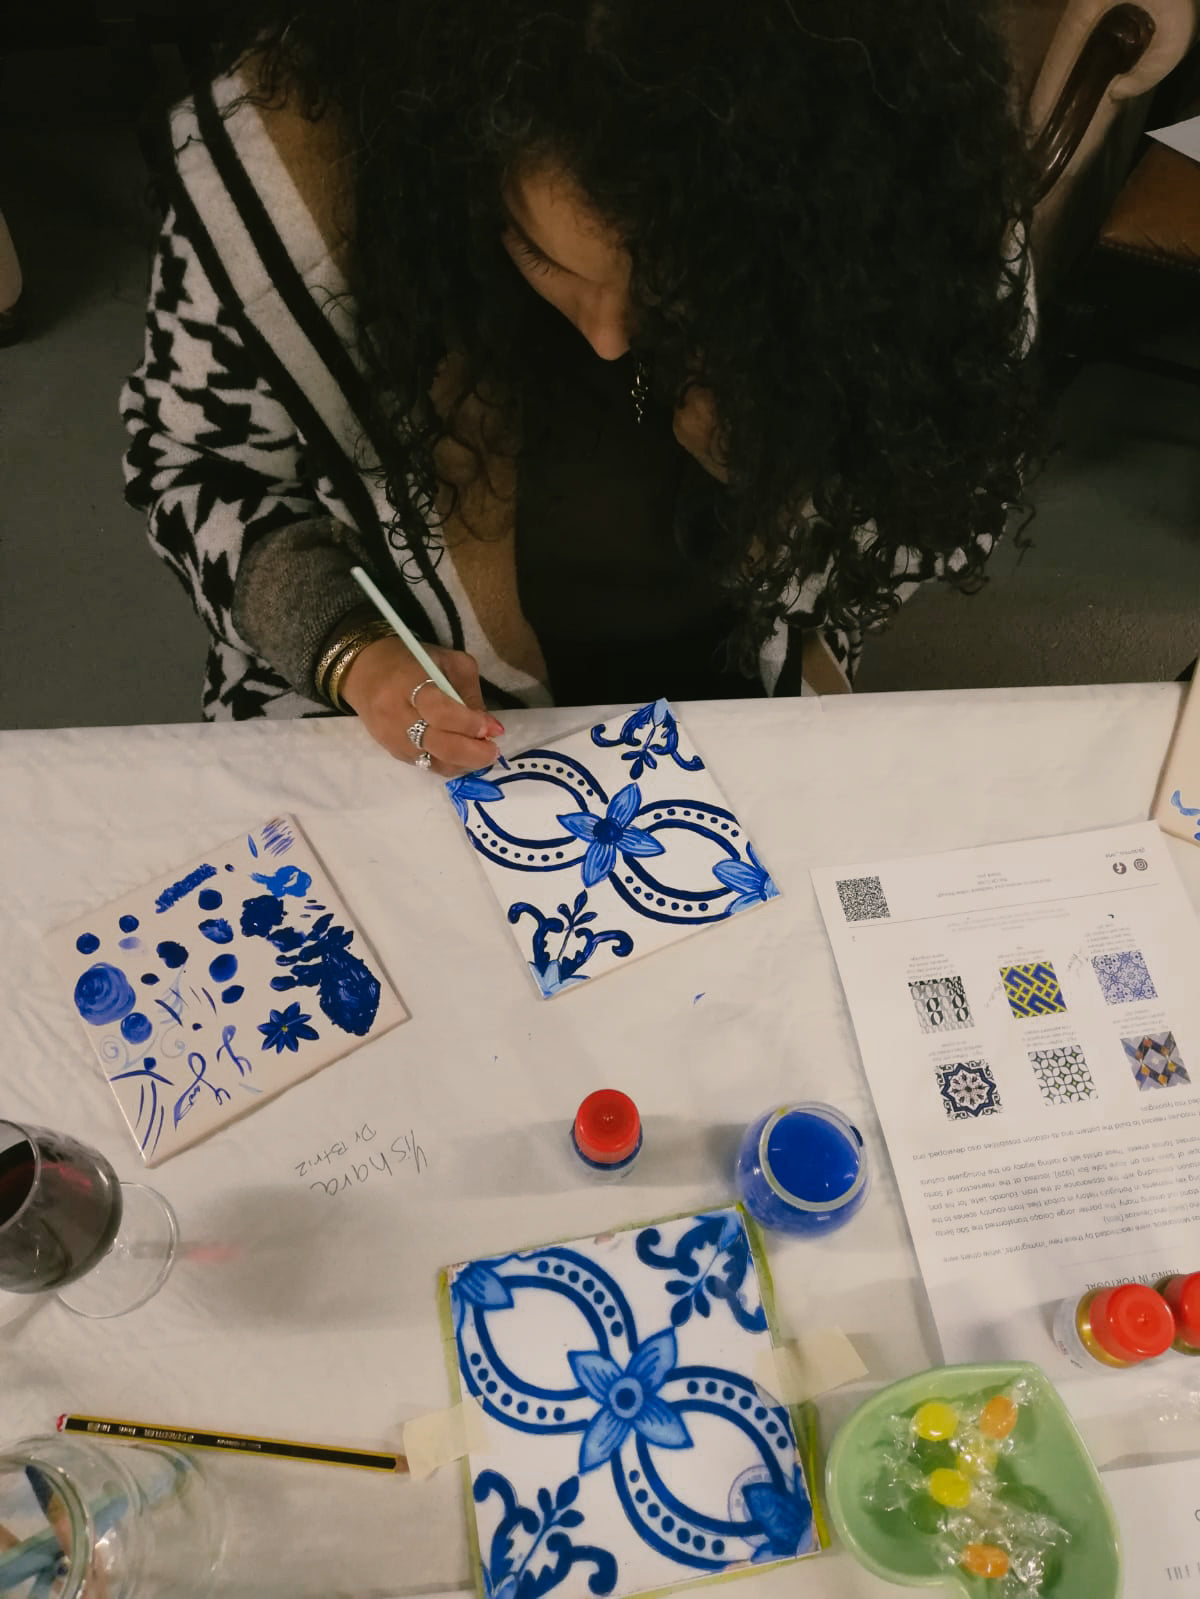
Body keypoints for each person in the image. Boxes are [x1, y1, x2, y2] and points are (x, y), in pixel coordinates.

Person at [121, 0, 1037, 776]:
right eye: (542, 256)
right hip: (382, 723)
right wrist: (346, 648)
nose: (608, 338)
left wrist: (804, 456)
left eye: (675, 297)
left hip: (743, 708)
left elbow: (952, 503)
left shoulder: (911, 209)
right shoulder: (281, 181)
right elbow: (193, 467)